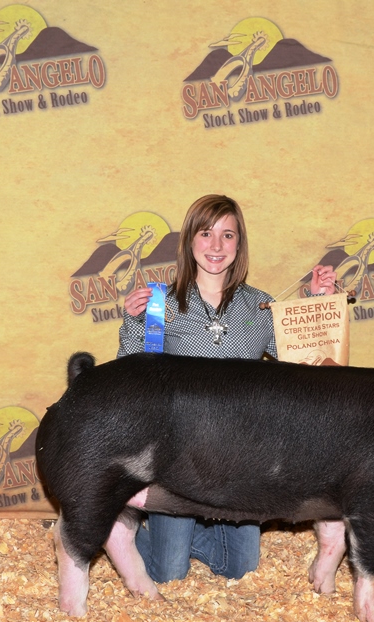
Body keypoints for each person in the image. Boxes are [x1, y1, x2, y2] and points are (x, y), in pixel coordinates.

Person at [117, 194, 336, 583]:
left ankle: (192, 531)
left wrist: (317, 304)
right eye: (206, 234)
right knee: (168, 573)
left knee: (240, 569)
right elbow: (133, 379)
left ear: (239, 244)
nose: (216, 246)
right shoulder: (159, 304)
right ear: (189, 241)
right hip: (179, 458)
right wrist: (134, 323)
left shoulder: (260, 306)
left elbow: (305, 366)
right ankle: (119, 532)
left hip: (241, 459)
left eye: (227, 235)